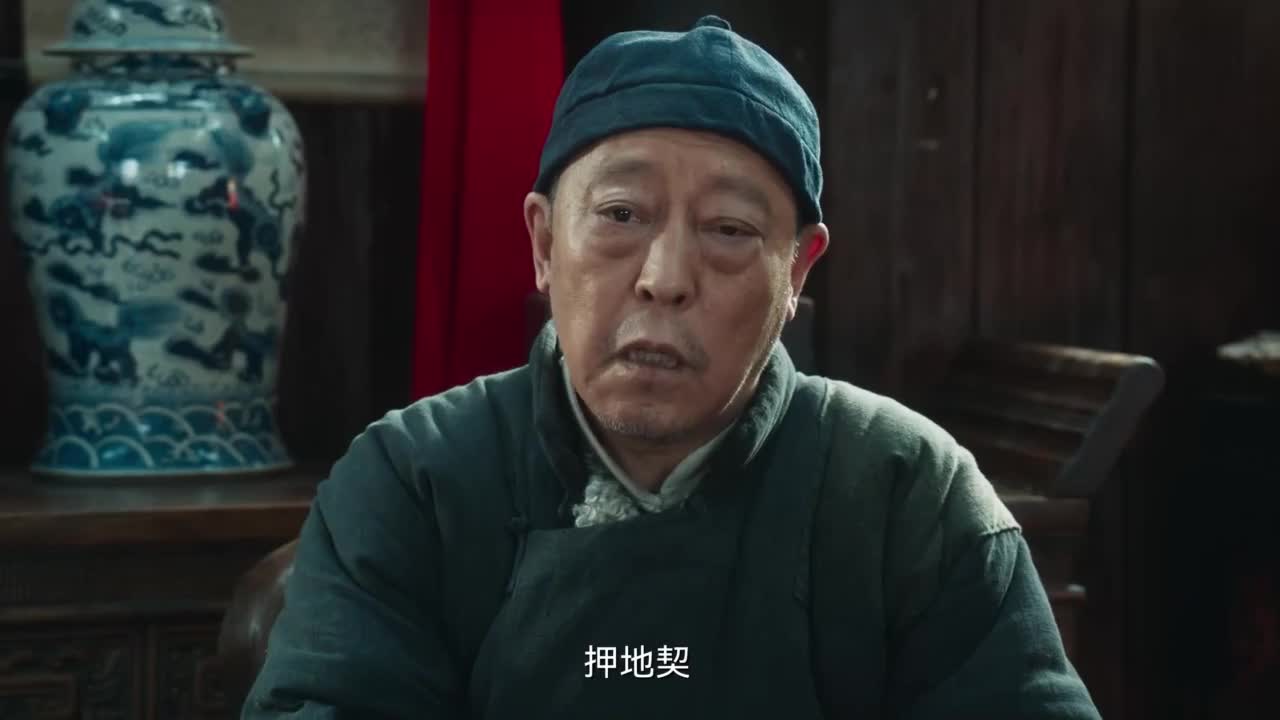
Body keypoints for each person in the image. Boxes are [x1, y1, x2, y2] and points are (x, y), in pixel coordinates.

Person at [244, 16, 1101, 719]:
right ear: (543, 244)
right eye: (621, 214)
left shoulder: (909, 492)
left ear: (797, 272)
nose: (664, 277)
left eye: (729, 229)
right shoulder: (411, 482)